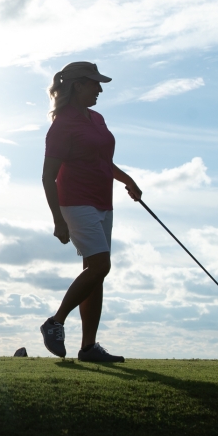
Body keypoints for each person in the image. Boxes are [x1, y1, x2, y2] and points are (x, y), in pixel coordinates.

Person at [39, 61, 142, 363]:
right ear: (77, 86)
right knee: (100, 266)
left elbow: (101, 162)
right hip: (75, 201)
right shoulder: (62, 125)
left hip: (102, 202)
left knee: (95, 274)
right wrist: (58, 219)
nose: (99, 89)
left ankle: (88, 348)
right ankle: (55, 322)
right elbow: (48, 176)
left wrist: (128, 181)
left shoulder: (97, 118)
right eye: (94, 83)